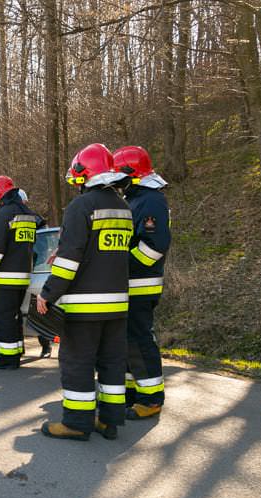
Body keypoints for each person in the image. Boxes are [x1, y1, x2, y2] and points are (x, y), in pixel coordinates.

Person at [37, 143, 131, 441]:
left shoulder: (81, 206)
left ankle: (77, 423)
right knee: (112, 363)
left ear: (84, 174)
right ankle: (109, 421)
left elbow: (69, 262)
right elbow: (104, 253)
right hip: (117, 306)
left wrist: (47, 293)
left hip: (85, 307)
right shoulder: (124, 207)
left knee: (77, 363)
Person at [113, 146, 171, 420]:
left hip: (141, 285)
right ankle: (132, 392)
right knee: (127, 341)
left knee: (139, 340)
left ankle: (151, 398)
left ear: (131, 173)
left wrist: (122, 266)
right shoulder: (136, 199)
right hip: (131, 284)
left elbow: (154, 246)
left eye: (118, 174)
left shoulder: (150, 200)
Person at [0, 176, 43, 370]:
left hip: (4, 278)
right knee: (14, 317)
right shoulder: (28, 215)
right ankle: (15, 352)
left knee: (3, 318)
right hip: (23, 277)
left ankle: (6, 359)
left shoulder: (4, 215)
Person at [18, 190, 53, 358]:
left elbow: (42, 247)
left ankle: (45, 345)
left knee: (39, 311)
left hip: (35, 270)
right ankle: (19, 346)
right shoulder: (29, 219)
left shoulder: (35, 220)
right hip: (27, 270)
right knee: (21, 312)